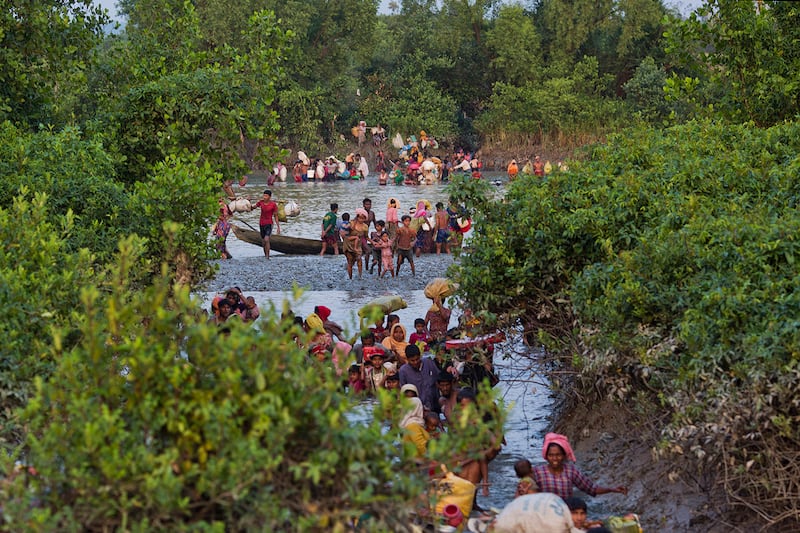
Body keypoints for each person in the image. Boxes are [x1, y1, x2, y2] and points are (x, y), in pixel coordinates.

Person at [532, 433, 628, 501]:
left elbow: (591, 488)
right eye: (551, 455)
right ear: (546, 456)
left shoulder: (570, 471)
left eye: (558, 455)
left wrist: (611, 489)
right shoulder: (537, 473)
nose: (554, 458)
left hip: (566, 515)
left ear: (564, 455)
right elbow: (523, 491)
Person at [398, 344, 439, 412]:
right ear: (407, 359)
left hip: (434, 403)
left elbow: (438, 377)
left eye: (417, 359)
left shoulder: (428, 362)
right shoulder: (403, 371)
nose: (415, 362)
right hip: (417, 408)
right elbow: (404, 390)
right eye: (412, 360)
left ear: (420, 356)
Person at [253, 189, 281, 259]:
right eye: (264, 195)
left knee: (266, 239)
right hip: (261, 223)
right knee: (263, 242)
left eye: (266, 196)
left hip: (269, 224)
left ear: (269, 197)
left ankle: (268, 256)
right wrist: (249, 201)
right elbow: (253, 207)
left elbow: (276, 216)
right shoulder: (261, 202)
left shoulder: (273, 205)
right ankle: (265, 255)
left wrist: (278, 227)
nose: (264, 197)